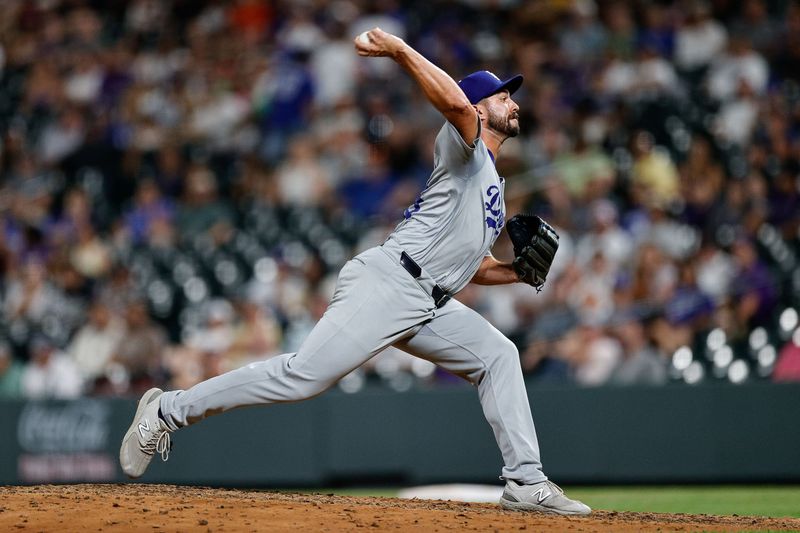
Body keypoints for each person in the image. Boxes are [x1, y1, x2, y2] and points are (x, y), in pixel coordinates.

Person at [120, 28, 590, 516]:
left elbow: (472, 267)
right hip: (390, 282)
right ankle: (166, 411)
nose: (512, 102)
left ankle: (526, 482)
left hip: (428, 300)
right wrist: (400, 51)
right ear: (477, 106)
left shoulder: (490, 178)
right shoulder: (462, 142)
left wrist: (515, 274)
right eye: (502, 95)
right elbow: (453, 105)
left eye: (512, 94)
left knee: (498, 355)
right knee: (302, 377)